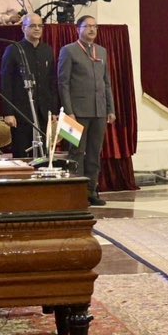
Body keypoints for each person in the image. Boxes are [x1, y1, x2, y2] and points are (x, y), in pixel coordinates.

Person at [56, 15, 114, 205]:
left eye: (94, 26)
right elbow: (63, 83)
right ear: (77, 29)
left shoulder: (102, 51)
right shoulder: (68, 51)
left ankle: (91, 191)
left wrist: (110, 108)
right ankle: (76, 191)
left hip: (99, 111)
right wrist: (68, 112)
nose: (91, 29)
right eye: (87, 26)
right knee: (76, 152)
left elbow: (107, 83)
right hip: (76, 112)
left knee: (95, 152)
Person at [0, 14, 60, 161]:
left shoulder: (47, 50)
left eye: (40, 26)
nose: (37, 29)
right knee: (22, 152)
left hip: (43, 112)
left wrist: (54, 110)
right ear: (23, 28)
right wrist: (8, 112)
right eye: (33, 26)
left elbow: (52, 82)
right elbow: (6, 82)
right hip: (21, 112)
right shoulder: (14, 50)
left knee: (43, 153)